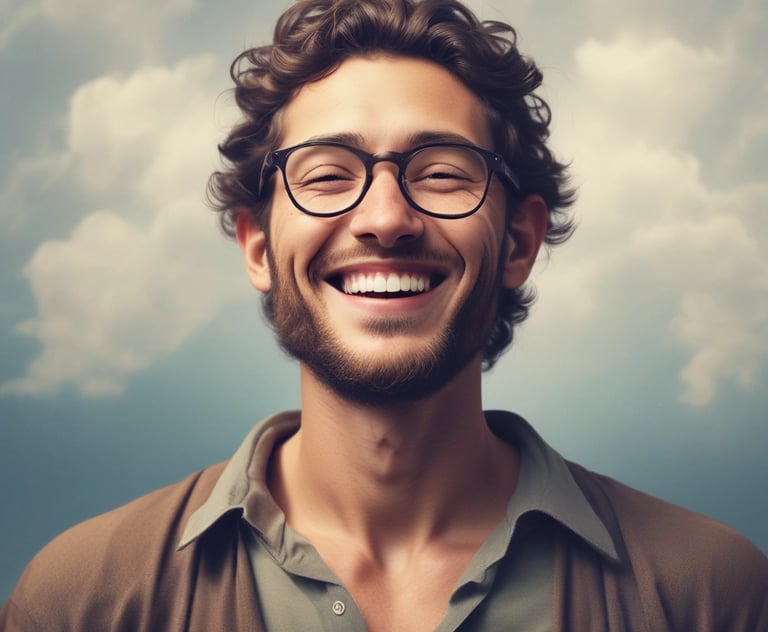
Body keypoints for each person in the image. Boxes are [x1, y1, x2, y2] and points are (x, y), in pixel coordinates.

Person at [2, 0, 767, 630]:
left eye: (439, 172)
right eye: (329, 174)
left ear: (520, 243)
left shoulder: (711, 594)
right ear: (259, 246)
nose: (385, 217)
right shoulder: (82, 601)